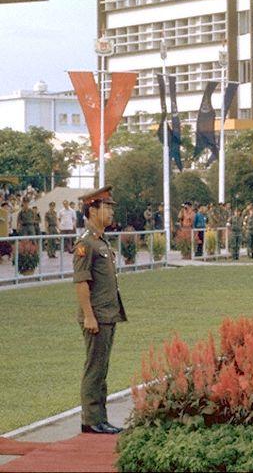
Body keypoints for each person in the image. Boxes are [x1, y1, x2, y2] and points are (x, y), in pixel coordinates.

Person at [72, 185, 126, 434]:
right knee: (94, 368)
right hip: (97, 316)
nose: (111, 212)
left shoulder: (100, 241)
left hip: (107, 314)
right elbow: (82, 282)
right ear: (92, 210)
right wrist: (89, 316)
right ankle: (91, 419)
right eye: (107, 207)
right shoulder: (86, 244)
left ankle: (99, 417)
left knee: (102, 367)